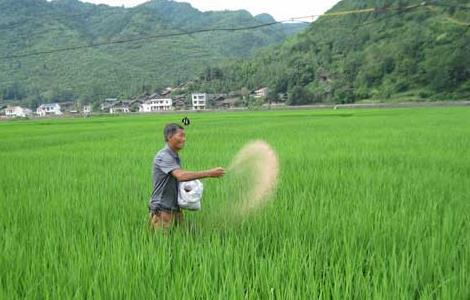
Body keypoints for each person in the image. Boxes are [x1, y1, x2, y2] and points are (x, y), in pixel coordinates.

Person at [148, 123, 225, 229]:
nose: (184, 139)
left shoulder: (173, 156)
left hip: (174, 208)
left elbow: (175, 179)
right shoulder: (164, 156)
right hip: (162, 209)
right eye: (181, 135)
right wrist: (209, 173)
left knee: (182, 237)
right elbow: (180, 175)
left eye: (184, 136)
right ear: (170, 137)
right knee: (163, 243)